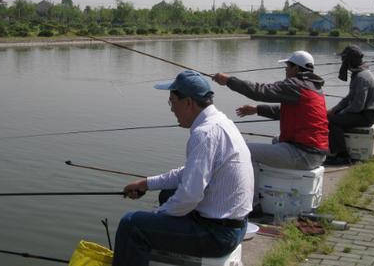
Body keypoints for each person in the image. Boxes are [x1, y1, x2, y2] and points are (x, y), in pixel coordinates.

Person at [112, 70, 254, 266]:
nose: (171, 109)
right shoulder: (220, 122)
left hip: (218, 236)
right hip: (235, 226)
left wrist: (156, 217)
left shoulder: (204, 134)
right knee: (166, 194)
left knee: (131, 225)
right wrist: (146, 184)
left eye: (172, 101)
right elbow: (188, 173)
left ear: (188, 102)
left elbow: (190, 195)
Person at [212, 50, 328, 173]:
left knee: (241, 151)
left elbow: (259, 91)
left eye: (288, 66)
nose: (286, 70)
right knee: (276, 140)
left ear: (296, 68)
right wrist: (257, 109)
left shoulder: (295, 85)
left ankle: (251, 191)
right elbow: (285, 111)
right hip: (317, 153)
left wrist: (229, 81)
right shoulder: (314, 87)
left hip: (304, 155)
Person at [325, 45, 374, 165]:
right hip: (362, 112)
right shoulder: (359, 73)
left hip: (367, 115)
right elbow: (350, 97)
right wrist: (334, 109)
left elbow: (358, 106)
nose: (342, 62)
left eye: (344, 59)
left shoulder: (362, 77)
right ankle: (337, 151)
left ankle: (342, 155)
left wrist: (340, 113)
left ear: (349, 60)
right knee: (331, 116)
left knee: (332, 121)